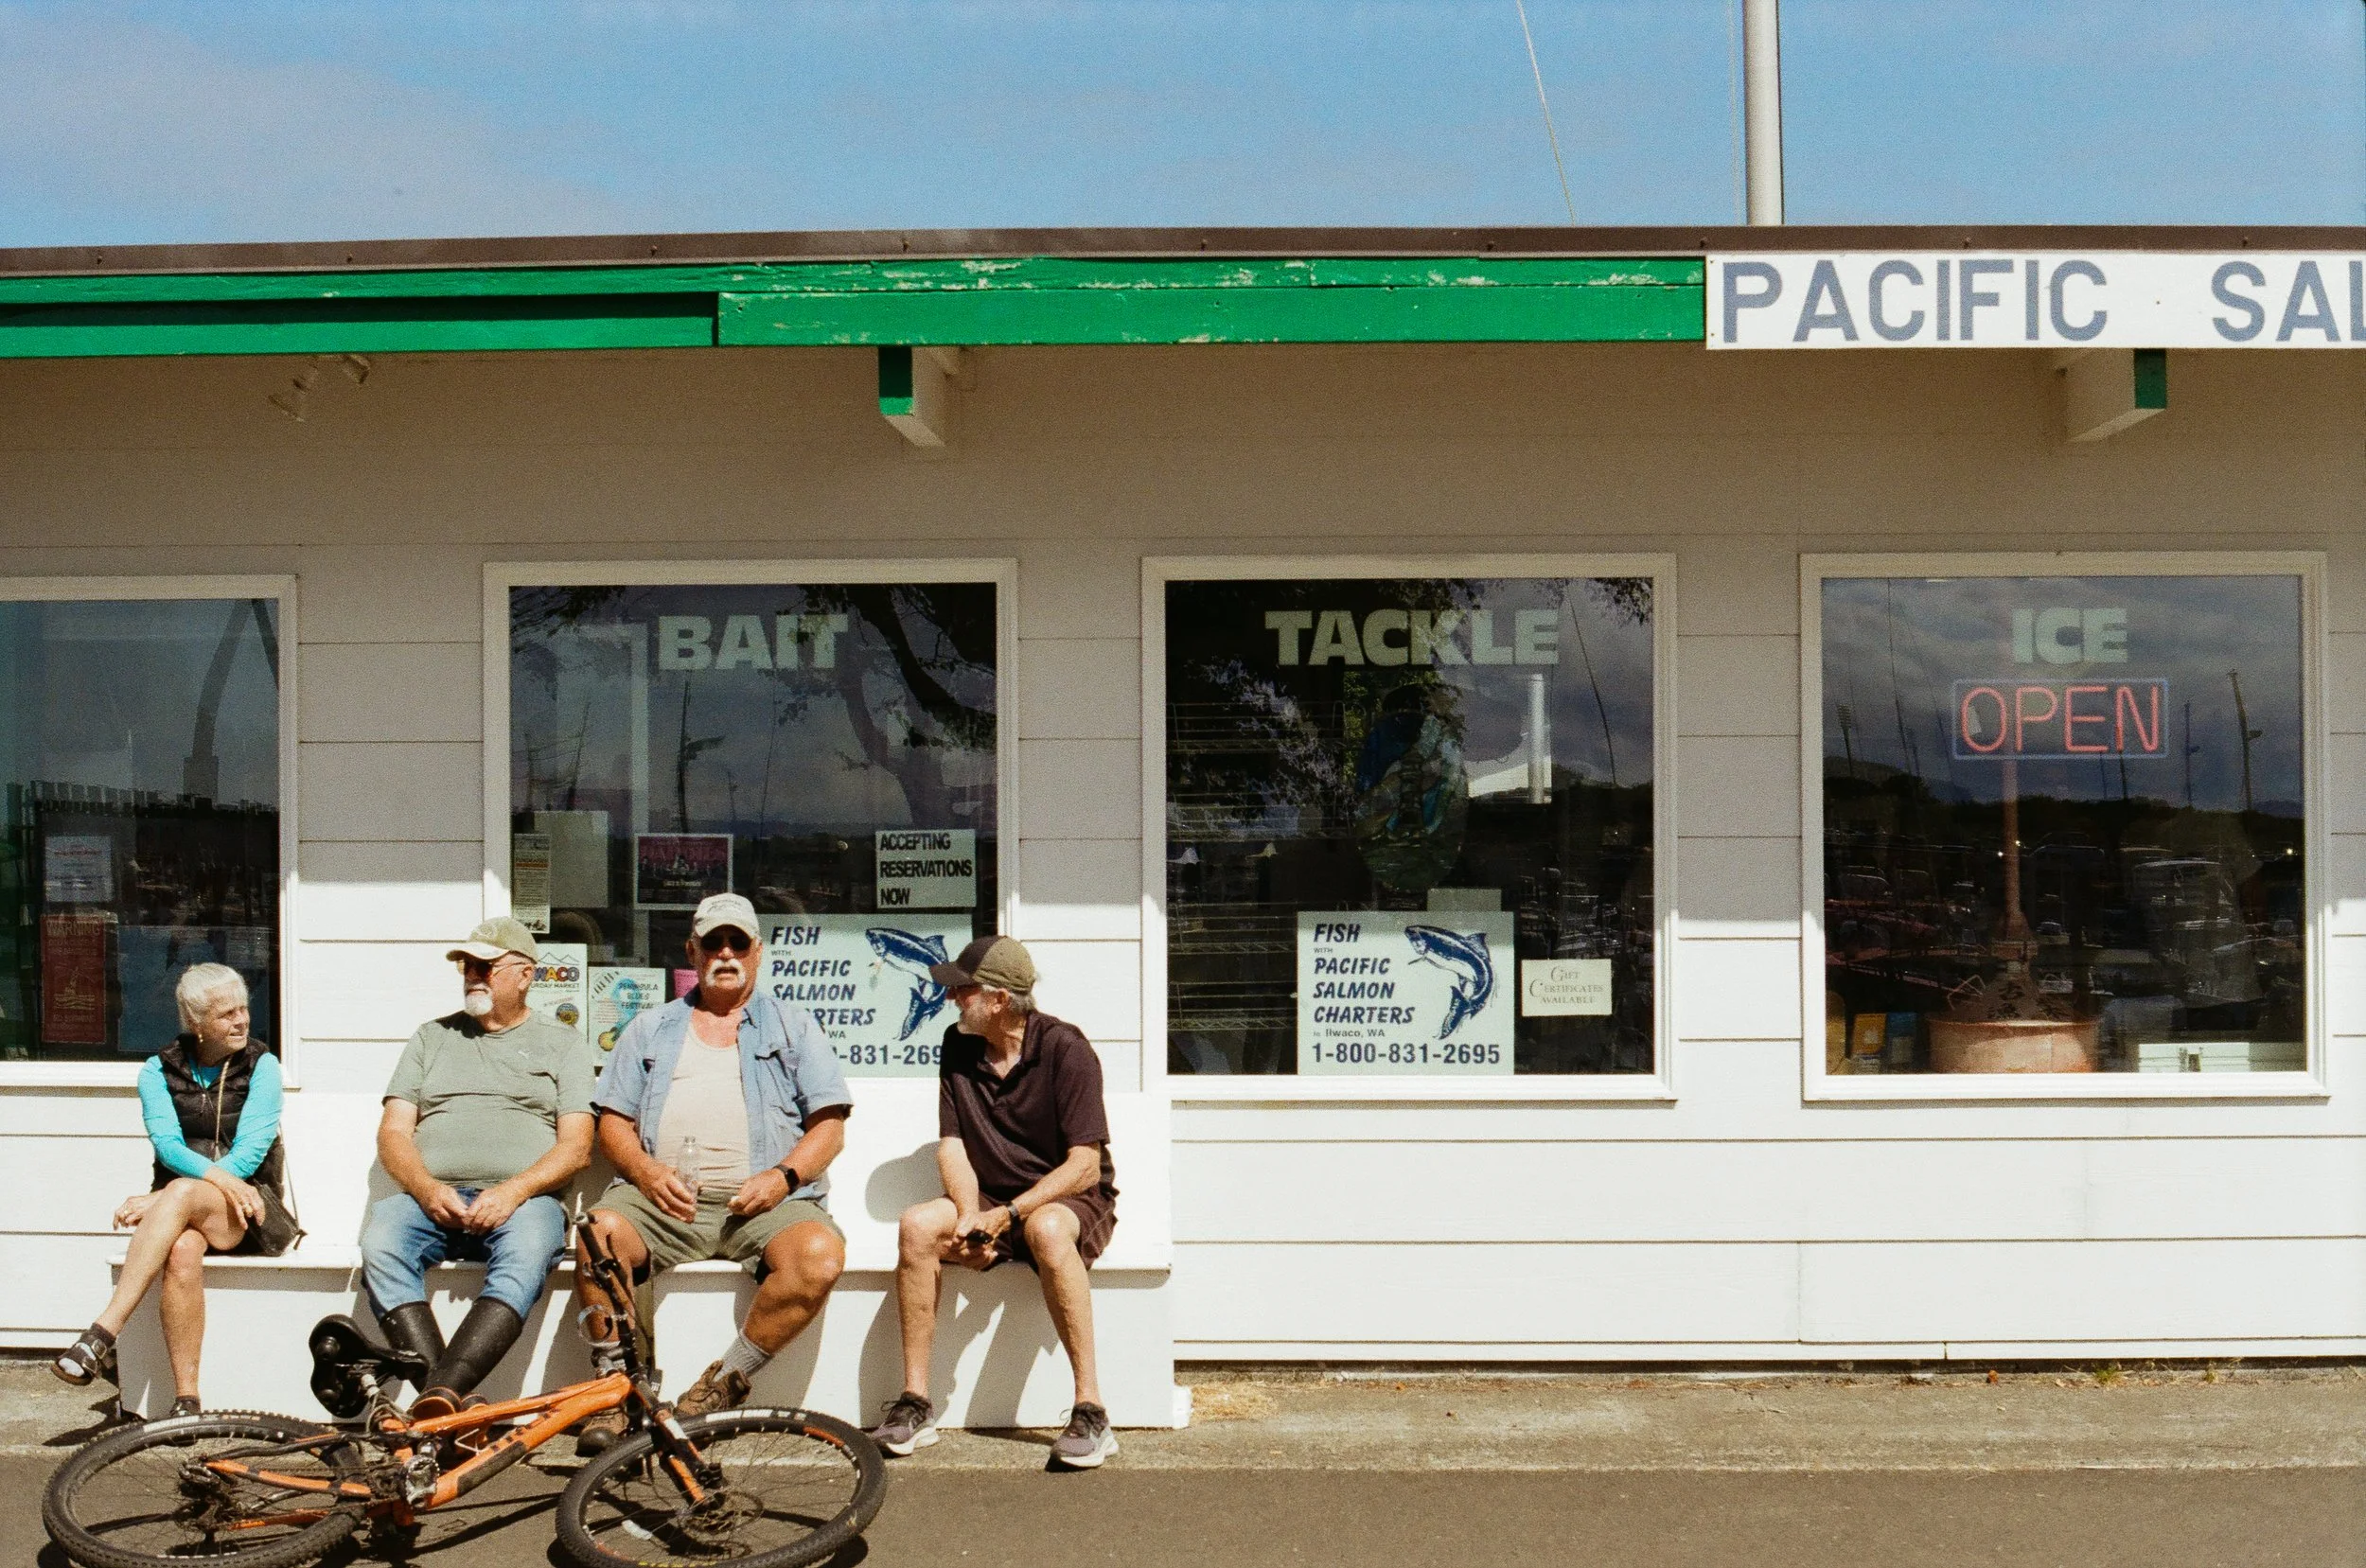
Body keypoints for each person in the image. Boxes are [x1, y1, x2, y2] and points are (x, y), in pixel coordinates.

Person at [570, 893, 853, 1456]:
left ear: (758, 952)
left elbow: (829, 1128)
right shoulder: (650, 1028)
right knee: (597, 1233)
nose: (727, 953)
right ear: (692, 952)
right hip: (661, 1203)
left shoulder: (794, 1026)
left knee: (819, 1254)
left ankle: (720, 1386)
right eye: (713, 943)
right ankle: (616, 1396)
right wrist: (647, 1174)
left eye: (738, 942)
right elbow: (613, 1126)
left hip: (767, 1204)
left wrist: (781, 1177)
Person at [872, 935, 1121, 1470]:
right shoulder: (958, 1045)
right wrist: (969, 1220)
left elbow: (1083, 1165)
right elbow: (954, 1144)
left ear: (1000, 999)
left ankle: (1091, 1409)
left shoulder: (1065, 1048)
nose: (952, 998)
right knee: (918, 1225)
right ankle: (915, 1402)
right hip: (987, 1199)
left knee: (1048, 1230)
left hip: (1067, 1195)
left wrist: (1005, 1216)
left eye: (963, 990)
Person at [360, 917, 594, 1416]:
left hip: (524, 1203)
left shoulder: (563, 1043)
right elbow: (394, 1132)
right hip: (433, 1199)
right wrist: (424, 1188)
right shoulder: (432, 1037)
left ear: (525, 975)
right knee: (381, 1238)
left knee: (529, 1250)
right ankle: (445, 1400)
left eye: (485, 966)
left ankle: (437, 1400)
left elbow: (577, 1147)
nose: (473, 975)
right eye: (467, 965)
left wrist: (513, 1191)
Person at [52, 963, 296, 1416]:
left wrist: (169, 1195)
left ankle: (103, 1332)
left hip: (249, 1210)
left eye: (243, 1009)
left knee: (181, 1191)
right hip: (185, 1216)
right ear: (196, 1022)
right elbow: (167, 1147)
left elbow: (247, 1156)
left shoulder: (262, 1067)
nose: (241, 1020)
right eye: (227, 1014)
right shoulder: (156, 1071)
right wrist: (186, 1189)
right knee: (182, 1251)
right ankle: (187, 1399)